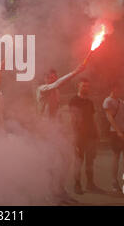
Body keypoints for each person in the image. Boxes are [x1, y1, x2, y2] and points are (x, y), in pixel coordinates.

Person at [36, 64, 85, 204]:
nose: (53, 79)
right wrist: (76, 71)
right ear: (45, 79)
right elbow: (56, 85)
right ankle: (48, 193)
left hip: (55, 129)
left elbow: (56, 110)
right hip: (45, 130)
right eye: (50, 77)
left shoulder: (56, 92)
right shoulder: (42, 89)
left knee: (66, 158)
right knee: (50, 162)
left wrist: (63, 127)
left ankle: (60, 189)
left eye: (54, 77)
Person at [69, 78, 100, 195]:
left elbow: (93, 118)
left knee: (90, 162)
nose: (85, 88)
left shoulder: (90, 102)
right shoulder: (74, 100)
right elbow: (72, 120)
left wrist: (97, 133)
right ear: (79, 86)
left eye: (87, 86)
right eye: (83, 86)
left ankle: (90, 184)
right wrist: (74, 136)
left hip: (91, 136)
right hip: (80, 137)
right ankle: (77, 185)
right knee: (78, 162)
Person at [103, 84, 124, 192]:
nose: (119, 90)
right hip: (116, 133)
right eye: (118, 88)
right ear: (113, 88)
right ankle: (114, 182)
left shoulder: (120, 101)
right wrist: (118, 131)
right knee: (116, 157)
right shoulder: (108, 101)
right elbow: (110, 117)